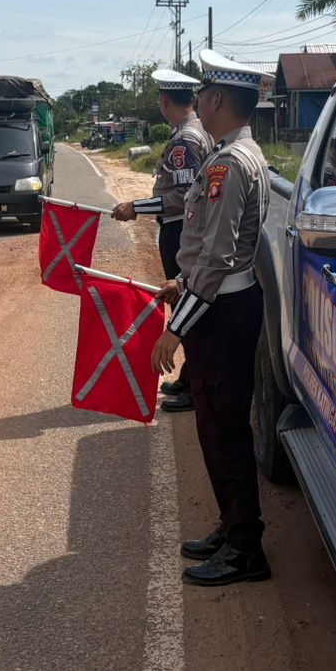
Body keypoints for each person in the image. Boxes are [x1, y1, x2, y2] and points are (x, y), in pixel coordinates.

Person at [150, 49, 271, 587]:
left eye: (202, 92)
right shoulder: (235, 155)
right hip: (221, 307)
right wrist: (180, 280)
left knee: (224, 429)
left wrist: (177, 328)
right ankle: (231, 525)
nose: (197, 100)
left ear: (217, 98)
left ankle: (247, 548)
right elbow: (210, 252)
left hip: (223, 314)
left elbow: (220, 262)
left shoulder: (226, 166)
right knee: (214, 424)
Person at [113, 69, 212, 413]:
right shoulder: (194, 131)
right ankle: (189, 376)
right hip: (182, 229)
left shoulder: (185, 140)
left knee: (184, 307)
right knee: (184, 303)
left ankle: (196, 385)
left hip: (180, 230)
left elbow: (184, 195)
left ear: (164, 100)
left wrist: (135, 207)